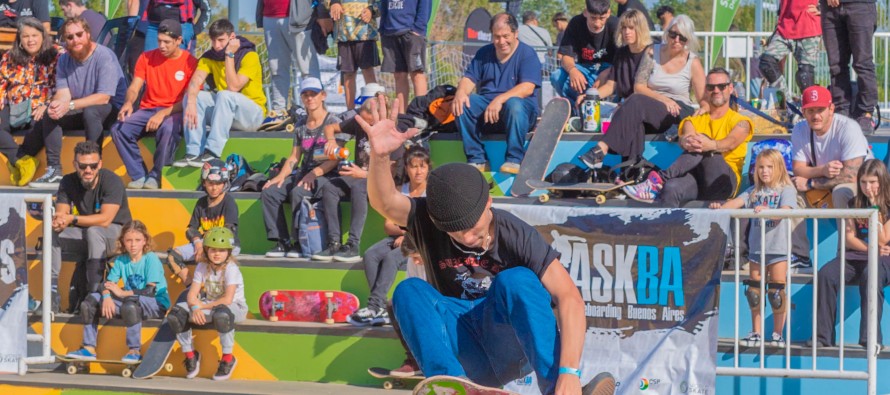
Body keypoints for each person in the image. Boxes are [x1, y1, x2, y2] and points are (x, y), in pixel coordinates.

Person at [360, 96, 616, 395]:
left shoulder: (515, 233)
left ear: (489, 203)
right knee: (408, 291)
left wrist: (569, 372)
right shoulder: (429, 217)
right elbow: (385, 202)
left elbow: (569, 297)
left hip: (508, 342)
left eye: (472, 228)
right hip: (463, 345)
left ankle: (558, 391)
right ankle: (450, 385)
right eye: (456, 233)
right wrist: (378, 158)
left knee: (516, 279)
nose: (467, 238)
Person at [578, 14, 706, 170]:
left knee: (635, 102)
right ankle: (630, 172)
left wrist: (704, 111)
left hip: (678, 111)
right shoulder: (652, 52)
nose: (676, 40)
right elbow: (639, 86)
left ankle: (600, 150)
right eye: (673, 34)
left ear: (689, 40)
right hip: (654, 106)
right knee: (635, 119)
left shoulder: (693, 62)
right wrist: (663, 99)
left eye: (682, 37)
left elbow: (703, 100)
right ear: (668, 33)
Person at [19, 16, 127, 188]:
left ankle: (92, 167)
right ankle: (54, 170)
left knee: (91, 111)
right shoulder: (64, 59)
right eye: (70, 37)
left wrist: (68, 105)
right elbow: (63, 93)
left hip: (112, 110)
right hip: (82, 107)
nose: (75, 40)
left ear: (88, 34)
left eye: (79, 34)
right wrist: (56, 105)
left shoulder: (104, 56)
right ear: (65, 40)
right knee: (51, 112)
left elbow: (103, 97)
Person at [622, 68, 752, 207]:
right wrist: (685, 140)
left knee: (702, 140)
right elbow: (687, 136)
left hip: (723, 180)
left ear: (730, 88)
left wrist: (709, 144)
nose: (716, 90)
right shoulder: (693, 119)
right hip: (696, 178)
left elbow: (729, 143)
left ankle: (658, 179)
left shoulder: (742, 122)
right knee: (671, 188)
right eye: (711, 87)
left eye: (721, 86)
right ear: (706, 90)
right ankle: (667, 227)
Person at [710, 149, 797, 348]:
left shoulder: (786, 190)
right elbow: (735, 204)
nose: (764, 171)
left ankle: (777, 333)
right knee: (754, 291)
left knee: (776, 291)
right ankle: (756, 332)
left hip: (778, 248)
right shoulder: (754, 191)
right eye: (760, 167)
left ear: (779, 168)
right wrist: (719, 208)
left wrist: (769, 211)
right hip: (757, 249)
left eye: (769, 167)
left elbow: (785, 211)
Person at [66, 220, 170, 362]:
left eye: (137, 240)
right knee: (90, 302)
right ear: (123, 241)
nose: (133, 245)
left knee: (130, 305)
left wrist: (122, 293)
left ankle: (134, 350)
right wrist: (107, 296)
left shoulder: (151, 258)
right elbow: (106, 284)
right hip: (130, 300)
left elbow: (150, 291)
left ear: (145, 241)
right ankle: (89, 348)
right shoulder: (121, 260)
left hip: (156, 303)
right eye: (129, 240)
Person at [111, 19, 197, 190]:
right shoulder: (146, 57)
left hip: (174, 111)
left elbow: (188, 100)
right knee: (119, 129)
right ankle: (138, 174)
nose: (162, 46)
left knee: (167, 128)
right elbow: (135, 86)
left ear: (179, 41)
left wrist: (163, 113)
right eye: (159, 41)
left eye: (167, 42)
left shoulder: (190, 62)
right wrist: (128, 102)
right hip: (148, 109)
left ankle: (156, 176)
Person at [348, 146, 429, 326]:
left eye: (422, 166)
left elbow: (429, 226)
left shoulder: (430, 193)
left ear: (428, 168)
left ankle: (374, 305)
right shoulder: (400, 189)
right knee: (370, 255)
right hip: (398, 238)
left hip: (420, 241)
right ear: (407, 168)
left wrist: (409, 236)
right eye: (414, 166)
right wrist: (405, 232)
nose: (418, 171)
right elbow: (388, 225)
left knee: (392, 258)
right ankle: (381, 307)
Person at [453, 13, 542, 175]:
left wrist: (500, 99)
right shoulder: (483, 54)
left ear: (515, 34)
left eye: (506, 36)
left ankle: (514, 159)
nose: (501, 42)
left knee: (514, 103)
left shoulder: (527, 54)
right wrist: (460, 93)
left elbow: (528, 87)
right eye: (496, 37)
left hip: (520, 113)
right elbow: (468, 79)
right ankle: (477, 159)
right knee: (464, 103)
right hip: (489, 113)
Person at [262, 77, 340, 258]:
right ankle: (282, 241)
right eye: (306, 95)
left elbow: (335, 159)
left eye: (314, 94)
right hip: (305, 173)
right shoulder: (300, 125)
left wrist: (314, 174)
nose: (310, 98)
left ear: (323, 96)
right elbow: (294, 156)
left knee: (298, 192)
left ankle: (298, 241)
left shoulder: (334, 121)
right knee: (270, 191)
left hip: (327, 174)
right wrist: (279, 177)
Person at [816, 159, 890, 350]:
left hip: (883, 259)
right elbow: (849, 238)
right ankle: (823, 337)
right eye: (864, 182)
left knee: (870, 275)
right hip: (857, 256)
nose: (868, 187)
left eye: (873, 182)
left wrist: (875, 208)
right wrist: (869, 249)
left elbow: (882, 239)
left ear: (882, 181)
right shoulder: (854, 203)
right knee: (826, 274)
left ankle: (870, 338)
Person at [52, 141, 133, 314]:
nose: (88, 170)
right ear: (75, 165)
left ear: (100, 164)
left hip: (118, 236)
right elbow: (61, 214)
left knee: (94, 231)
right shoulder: (67, 181)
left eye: (93, 166)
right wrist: (59, 221)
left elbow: (105, 220)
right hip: (87, 233)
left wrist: (71, 218)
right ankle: (51, 290)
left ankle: (95, 291)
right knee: (54, 233)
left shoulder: (112, 180)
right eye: (82, 166)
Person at [174, 19, 266, 168]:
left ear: (232, 38)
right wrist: (190, 102)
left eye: (221, 40)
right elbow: (196, 80)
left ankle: (212, 152)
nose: (217, 46)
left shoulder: (249, 56)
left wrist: (229, 55)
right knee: (194, 95)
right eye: (213, 40)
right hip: (226, 114)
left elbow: (234, 87)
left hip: (252, 116)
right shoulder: (209, 57)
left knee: (224, 95)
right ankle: (193, 152)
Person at [166, 226, 247, 381]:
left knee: (222, 315)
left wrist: (201, 306)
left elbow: (227, 300)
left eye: (221, 250)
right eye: (212, 250)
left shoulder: (231, 269)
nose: (217, 254)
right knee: (176, 314)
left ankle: (228, 359)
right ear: (206, 251)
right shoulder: (202, 266)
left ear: (228, 252)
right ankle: (190, 355)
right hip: (209, 306)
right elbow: (191, 294)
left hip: (235, 308)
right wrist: (195, 307)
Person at [791, 85, 872, 211]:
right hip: (824, 181)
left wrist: (810, 183)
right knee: (789, 191)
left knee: (841, 192)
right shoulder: (799, 129)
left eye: (820, 110)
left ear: (831, 109)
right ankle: (793, 231)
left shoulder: (848, 128)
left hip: (863, 183)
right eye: (811, 110)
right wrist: (823, 170)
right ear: (803, 112)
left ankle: (847, 231)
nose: (816, 116)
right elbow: (798, 169)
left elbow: (851, 175)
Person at [0, 17, 60, 186]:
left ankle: (19, 161)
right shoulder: (9, 57)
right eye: (25, 36)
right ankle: (21, 161)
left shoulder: (56, 54)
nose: (30, 40)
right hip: (13, 104)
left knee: (40, 126)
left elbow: (61, 86)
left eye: (34, 35)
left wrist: (47, 104)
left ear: (43, 36)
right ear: (19, 40)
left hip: (39, 105)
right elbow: (1, 82)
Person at [167, 159, 240, 278]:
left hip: (225, 245)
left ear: (225, 183)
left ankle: (210, 289)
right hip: (204, 244)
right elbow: (192, 228)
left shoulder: (229, 202)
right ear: (204, 183)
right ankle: (191, 287)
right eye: (210, 183)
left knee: (212, 258)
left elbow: (229, 231)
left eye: (218, 183)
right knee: (173, 256)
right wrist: (198, 244)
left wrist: (207, 249)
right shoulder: (201, 203)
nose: (214, 187)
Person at [256, 0, 321, 125]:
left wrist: (322, 13)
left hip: (298, 17)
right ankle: (279, 111)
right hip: (269, 16)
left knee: (307, 69)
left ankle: (316, 113)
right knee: (276, 68)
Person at [821, 0, 879, 133]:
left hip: (860, 5)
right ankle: (841, 110)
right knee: (836, 65)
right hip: (829, 7)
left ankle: (866, 114)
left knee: (862, 63)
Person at [552, 0, 617, 106]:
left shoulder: (616, 24)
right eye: (593, 18)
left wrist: (607, 72)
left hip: (610, 69)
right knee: (556, 76)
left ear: (608, 13)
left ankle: (612, 111)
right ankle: (576, 110)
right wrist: (573, 70)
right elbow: (566, 56)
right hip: (584, 68)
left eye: (602, 18)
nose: (597, 23)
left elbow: (623, 61)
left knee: (621, 77)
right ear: (585, 12)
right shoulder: (575, 23)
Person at [758, 0, 820, 94]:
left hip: (808, 25)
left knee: (805, 76)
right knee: (767, 63)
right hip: (785, 26)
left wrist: (822, 8)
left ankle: (809, 105)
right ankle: (786, 100)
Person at [380, 0, 431, 111]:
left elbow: (425, 5)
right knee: (399, 76)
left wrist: (418, 29)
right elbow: (383, 4)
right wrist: (383, 28)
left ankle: (420, 114)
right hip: (390, 33)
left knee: (417, 74)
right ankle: (402, 116)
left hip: (412, 33)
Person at [330, 0, 381, 111]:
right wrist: (333, 2)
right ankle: (350, 112)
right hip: (343, 35)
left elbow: (381, 3)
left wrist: (371, 10)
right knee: (348, 75)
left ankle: (374, 110)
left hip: (365, 34)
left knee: (368, 71)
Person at [592, 9, 652, 100]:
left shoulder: (651, 52)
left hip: (645, 103)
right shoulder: (621, 53)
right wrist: (590, 96)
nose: (627, 32)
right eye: (624, 27)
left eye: (631, 28)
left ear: (641, 29)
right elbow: (610, 86)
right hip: (624, 102)